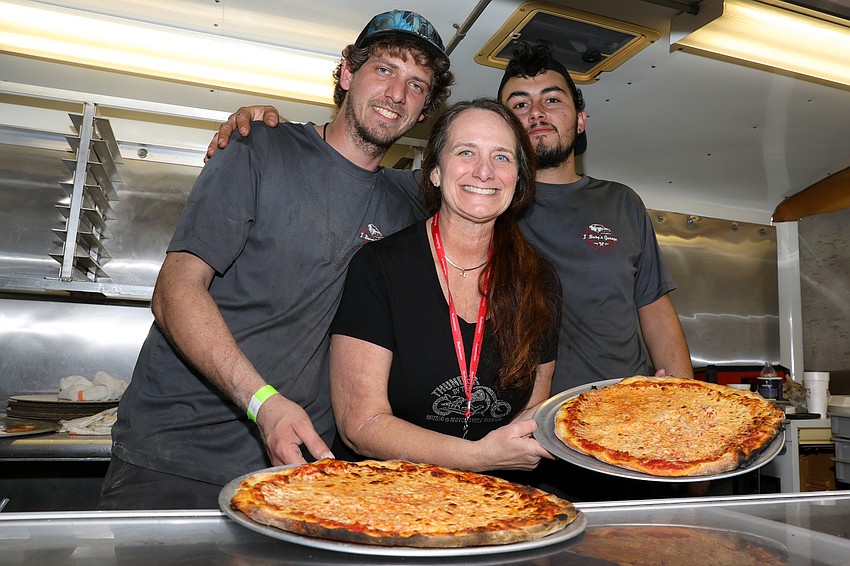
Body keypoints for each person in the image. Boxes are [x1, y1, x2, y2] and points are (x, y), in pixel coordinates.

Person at [99, 9, 454, 510]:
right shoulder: (258, 148)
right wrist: (262, 403)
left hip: (303, 471)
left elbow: (490, 188)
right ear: (348, 73)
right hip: (177, 452)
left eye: (417, 85)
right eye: (385, 69)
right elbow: (175, 289)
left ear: (423, 114)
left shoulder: (410, 203)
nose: (398, 93)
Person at [208, 42, 693, 393]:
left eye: (553, 99)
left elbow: (655, 312)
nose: (536, 113)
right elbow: (353, 168)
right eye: (518, 105)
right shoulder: (468, 195)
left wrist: (689, 414)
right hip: (522, 426)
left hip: (620, 418)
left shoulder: (622, 203)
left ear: (580, 118)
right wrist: (269, 131)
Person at [329, 98, 561, 472]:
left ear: (518, 178)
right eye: (466, 152)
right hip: (386, 496)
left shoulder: (540, 279)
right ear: (435, 171)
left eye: (502, 157)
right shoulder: (379, 268)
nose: (484, 171)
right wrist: (478, 457)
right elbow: (361, 424)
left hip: (500, 501)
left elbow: (534, 408)